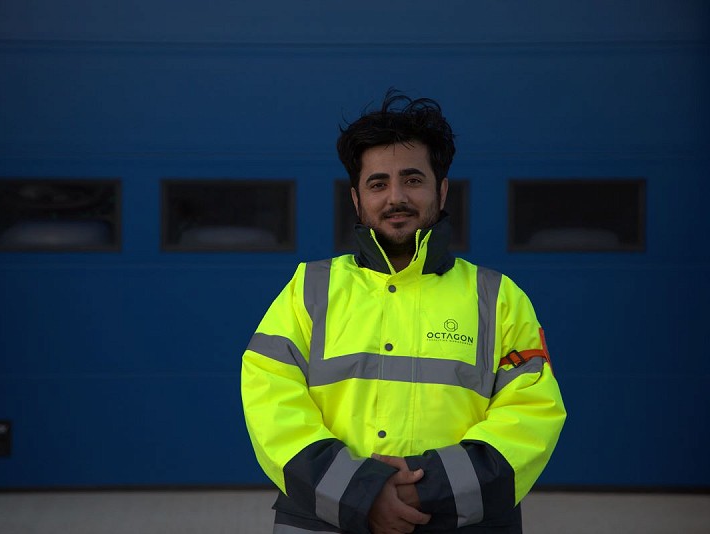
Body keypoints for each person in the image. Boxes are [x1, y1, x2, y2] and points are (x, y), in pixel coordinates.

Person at [240, 90, 566, 533]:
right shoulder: (309, 289)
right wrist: (361, 493)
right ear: (356, 198)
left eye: (413, 179)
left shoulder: (498, 298)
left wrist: (425, 489)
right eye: (378, 184)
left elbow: (531, 415)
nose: (396, 197)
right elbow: (270, 404)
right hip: (327, 522)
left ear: (441, 190)